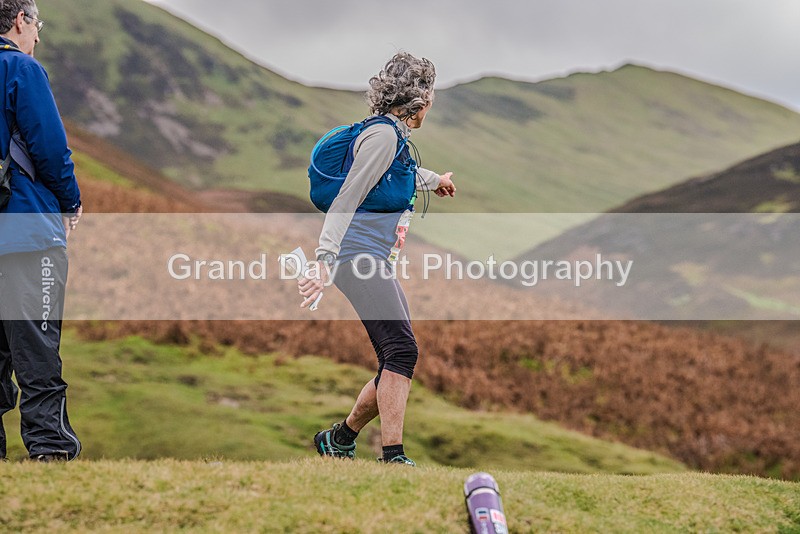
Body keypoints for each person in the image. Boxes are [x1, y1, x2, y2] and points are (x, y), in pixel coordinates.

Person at [301, 52, 456, 466]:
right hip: (355, 257)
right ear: (419, 103)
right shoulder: (383, 137)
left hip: (373, 259)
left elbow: (401, 174)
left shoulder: (393, 137)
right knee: (401, 351)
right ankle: (392, 457)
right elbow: (348, 196)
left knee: (397, 356)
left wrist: (436, 181)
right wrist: (323, 259)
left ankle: (339, 439)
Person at [0, 0, 82, 462]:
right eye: (38, 26)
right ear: (20, 21)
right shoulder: (21, 69)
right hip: (26, 234)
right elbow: (50, 147)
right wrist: (70, 201)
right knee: (37, 349)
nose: (38, 36)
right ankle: (50, 452)